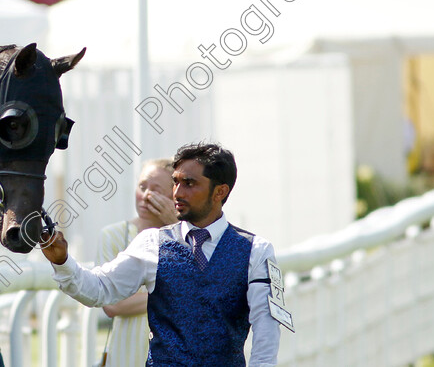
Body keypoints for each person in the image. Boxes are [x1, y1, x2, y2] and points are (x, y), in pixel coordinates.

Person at [40, 143, 281, 366]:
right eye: (175, 182)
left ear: (220, 192)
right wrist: (63, 262)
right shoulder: (151, 242)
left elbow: (266, 328)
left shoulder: (257, 251)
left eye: (189, 183)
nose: (177, 192)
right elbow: (100, 289)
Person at [95, 158, 175, 367]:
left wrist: (176, 224)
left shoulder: (186, 237)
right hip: (126, 354)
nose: (146, 196)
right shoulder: (114, 235)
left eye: (156, 190)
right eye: (142, 186)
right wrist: (173, 294)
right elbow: (112, 304)